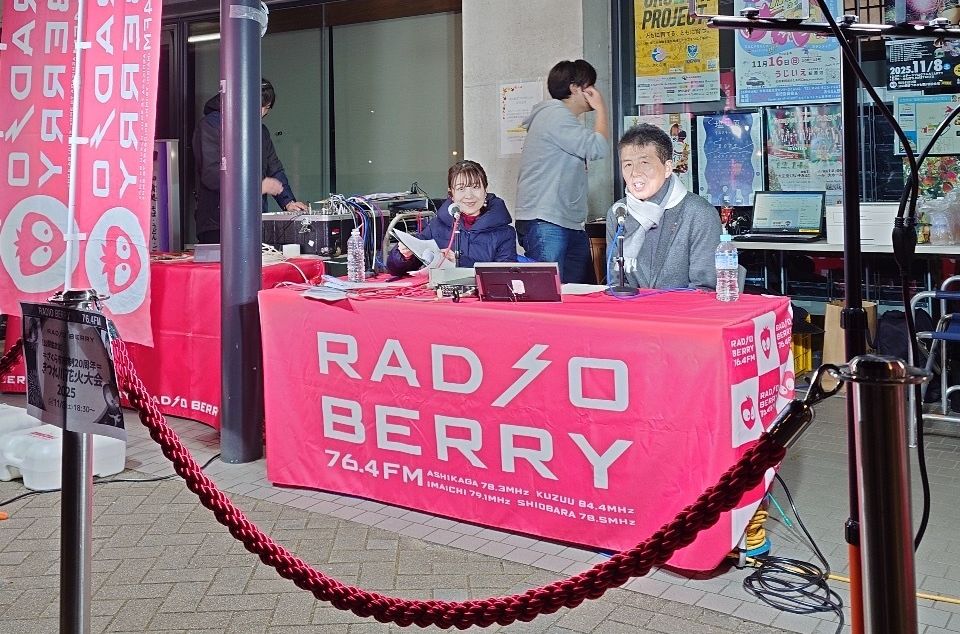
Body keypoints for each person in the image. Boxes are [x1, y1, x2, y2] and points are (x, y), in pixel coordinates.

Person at [514, 59, 609, 283]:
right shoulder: (555, 115)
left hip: (562, 221)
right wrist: (601, 109)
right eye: (590, 86)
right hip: (547, 220)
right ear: (574, 88)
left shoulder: (557, 118)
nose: (594, 92)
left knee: (580, 293)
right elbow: (597, 147)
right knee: (550, 291)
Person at [605, 123, 721, 291]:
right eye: (628, 165)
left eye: (644, 163)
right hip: (631, 306)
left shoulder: (699, 213)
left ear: (667, 168)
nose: (635, 173)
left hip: (682, 306)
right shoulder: (619, 212)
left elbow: (704, 289)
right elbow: (615, 283)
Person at [193, 78, 308, 244]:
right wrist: (256, 186)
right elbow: (212, 174)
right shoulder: (211, 125)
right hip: (218, 222)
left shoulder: (261, 131)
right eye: (259, 105)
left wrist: (288, 202)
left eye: (266, 107)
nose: (262, 112)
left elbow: (274, 169)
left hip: (254, 219)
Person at [386, 160, 516, 275]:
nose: (469, 196)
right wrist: (404, 255)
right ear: (451, 194)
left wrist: (460, 262)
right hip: (441, 294)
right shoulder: (437, 226)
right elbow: (395, 269)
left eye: (476, 187)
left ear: (485, 190)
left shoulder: (504, 233)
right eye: (461, 189)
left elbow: (505, 276)